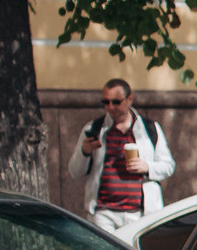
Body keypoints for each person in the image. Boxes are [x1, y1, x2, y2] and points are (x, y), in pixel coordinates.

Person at [75, 79, 175, 237]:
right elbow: (74, 171)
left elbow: (168, 166)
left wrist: (147, 167)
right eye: (105, 102)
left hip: (139, 213)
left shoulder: (149, 129)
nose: (110, 107)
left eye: (116, 102)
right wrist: (85, 151)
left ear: (129, 99)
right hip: (104, 212)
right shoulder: (94, 129)